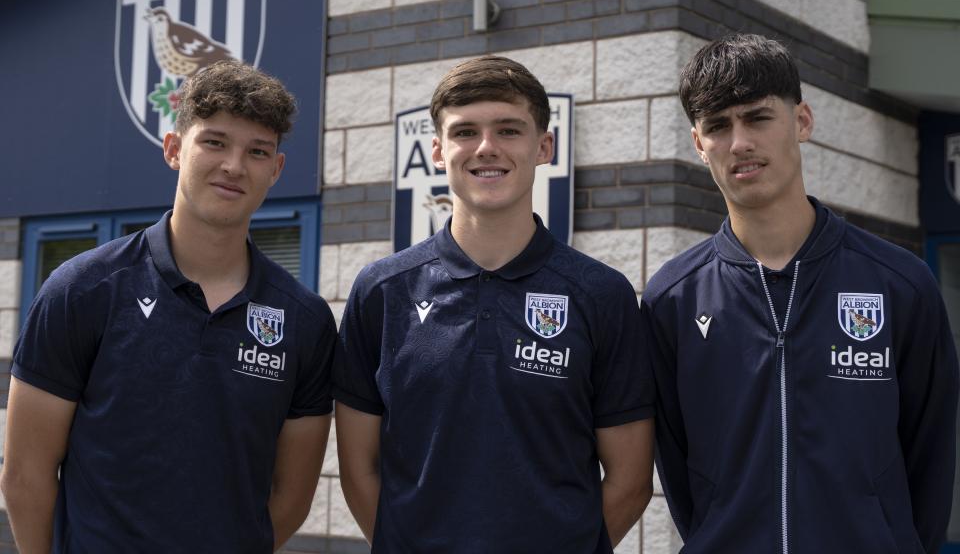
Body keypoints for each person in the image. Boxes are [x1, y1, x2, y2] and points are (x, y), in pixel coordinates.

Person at [2, 61, 337, 554]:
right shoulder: (84, 289)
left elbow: (290, 496)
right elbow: (25, 474)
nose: (234, 166)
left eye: (257, 151)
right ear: (174, 149)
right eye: (215, 142)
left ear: (275, 170)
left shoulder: (305, 321)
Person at [642, 34, 959, 553]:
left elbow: (932, 453)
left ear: (802, 121)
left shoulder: (899, 283)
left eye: (758, 118)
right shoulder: (673, 298)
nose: (739, 142)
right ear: (699, 145)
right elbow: (678, 468)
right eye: (718, 126)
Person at [333, 55, 655, 552]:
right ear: (438, 150)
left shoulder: (601, 294)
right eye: (465, 132)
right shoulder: (381, 290)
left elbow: (631, 482)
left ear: (543, 146)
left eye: (509, 130)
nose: (486, 148)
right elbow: (360, 470)